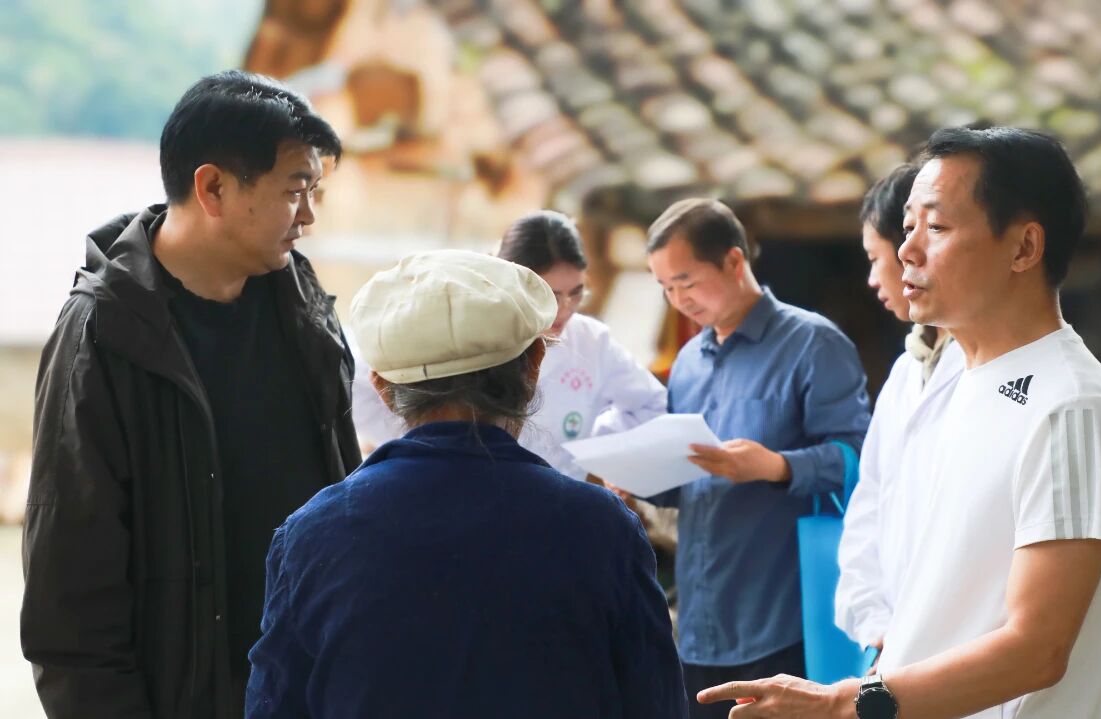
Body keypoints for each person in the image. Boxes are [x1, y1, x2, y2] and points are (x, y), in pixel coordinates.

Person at [698, 127, 1101, 719]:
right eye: (908, 227)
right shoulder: (952, 385)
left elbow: (1037, 649)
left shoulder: (1069, 406)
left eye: (936, 227)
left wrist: (840, 703)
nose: (907, 250)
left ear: (1024, 247)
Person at [22, 70, 361, 719]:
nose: (309, 217)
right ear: (213, 188)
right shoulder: (105, 335)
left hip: (313, 689)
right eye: (295, 191)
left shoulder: (303, 306)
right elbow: (70, 593)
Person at [245, 250, 686, 718]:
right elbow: (656, 706)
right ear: (534, 365)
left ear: (382, 388)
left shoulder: (311, 534)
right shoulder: (604, 530)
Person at [638, 198, 872, 718]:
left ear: (734, 261)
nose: (679, 300)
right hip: (698, 625)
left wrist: (776, 467)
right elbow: (689, 482)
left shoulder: (813, 343)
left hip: (782, 619)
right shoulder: (689, 363)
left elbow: (861, 459)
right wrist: (636, 474)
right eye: (666, 288)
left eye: (687, 281)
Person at [349, 211, 667, 481]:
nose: (564, 309)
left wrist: (595, 449)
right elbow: (360, 384)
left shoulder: (590, 341)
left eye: (576, 293)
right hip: (453, 480)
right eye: (550, 295)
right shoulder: (457, 326)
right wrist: (414, 437)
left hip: (555, 492)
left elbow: (651, 406)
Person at [833, 164, 965, 657]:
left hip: (953, 642)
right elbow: (870, 500)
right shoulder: (907, 370)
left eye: (875, 258)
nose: (873, 279)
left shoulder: (992, 373)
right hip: (888, 640)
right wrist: (874, 619)